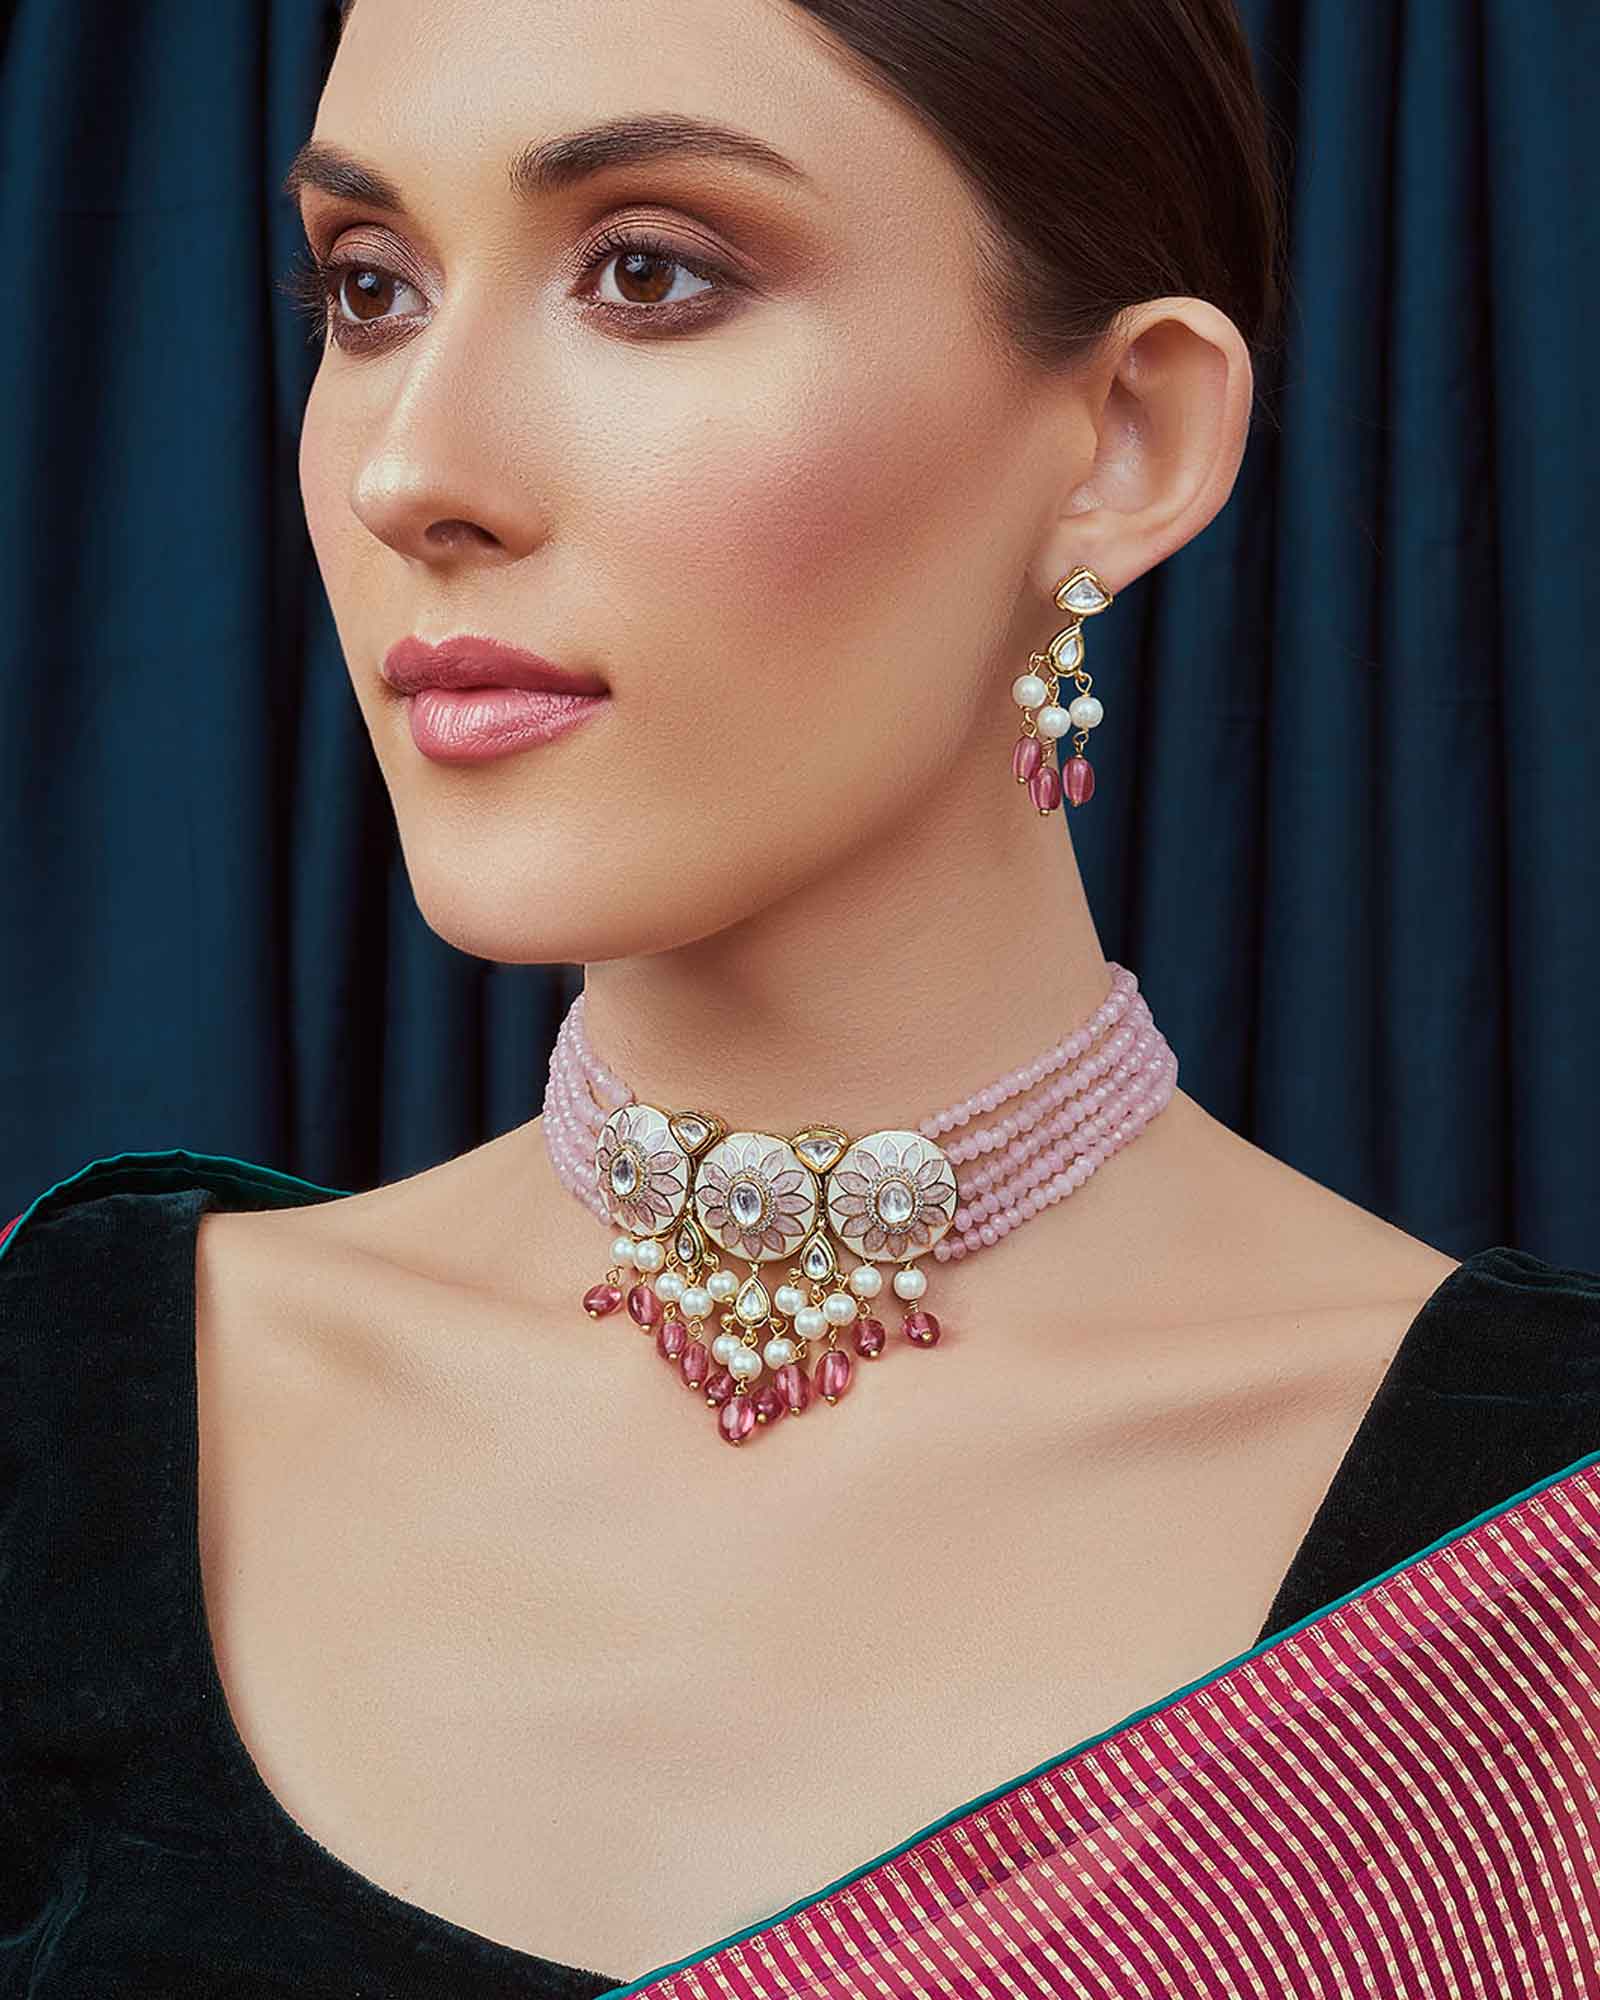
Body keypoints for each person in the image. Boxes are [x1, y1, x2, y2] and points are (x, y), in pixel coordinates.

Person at [4, 0, 1598, 1993]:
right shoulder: (65, 1398)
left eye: (646, 273)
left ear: (1127, 436)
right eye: (371, 287)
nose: (412, 472)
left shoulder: (1544, 1562)